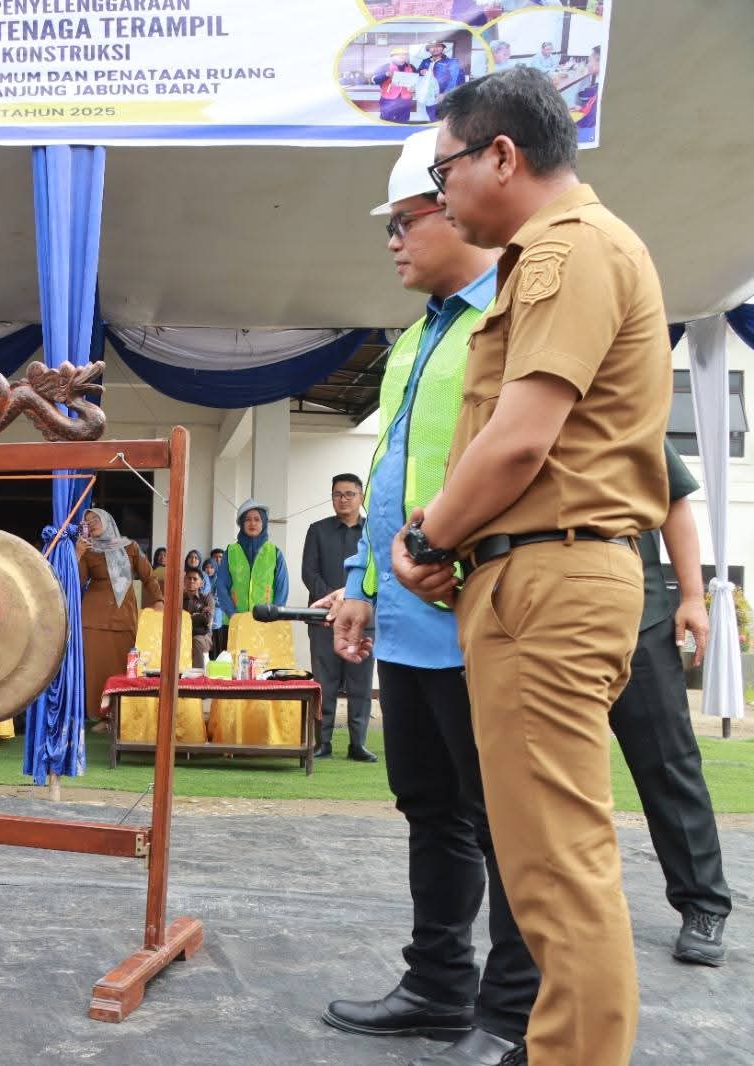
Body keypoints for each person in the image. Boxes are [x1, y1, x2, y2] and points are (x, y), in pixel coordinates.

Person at [386, 68, 672, 1064]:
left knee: (556, 869)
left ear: (501, 155)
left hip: (552, 583)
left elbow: (519, 441)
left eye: (445, 168)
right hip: (528, 576)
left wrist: (428, 540)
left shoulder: (567, 251)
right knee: (544, 863)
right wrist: (449, 537)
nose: (443, 191)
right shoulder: (552, 256)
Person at [321, 127, 536, 1066]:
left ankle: (513, 1015)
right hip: (406, 619)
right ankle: (438, 988)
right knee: (429, 807)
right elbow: (390, 471)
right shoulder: (413, 339)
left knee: (506, 824)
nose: (395, 241)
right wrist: (362, 588)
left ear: (454, 212)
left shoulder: (519, 313)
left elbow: (521, 460)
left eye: (406, 221)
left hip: (480, 613)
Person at [610, 443, 731, 966]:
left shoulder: (626, 404)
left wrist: (690, 597)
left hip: (641, 619)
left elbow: (674, 502)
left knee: (668, 766)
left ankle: (703, 904)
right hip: (546, 622)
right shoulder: (503, 408)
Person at [302, 474, 377, 762]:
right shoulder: (317, 530)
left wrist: (352, 602)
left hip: (364, 619)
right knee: (325, 683)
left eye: (349, 494)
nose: (343, 499)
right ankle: (324, 742)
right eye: (337, 494)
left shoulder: (373, 533)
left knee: (360, 682)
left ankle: (358, 743)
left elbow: (376, 573)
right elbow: (309, 573)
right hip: (323, 618)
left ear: (361, 496)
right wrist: (335, 602)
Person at [78, 507, 162, 731]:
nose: (92, 523)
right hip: (94, 619)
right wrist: (77, 554)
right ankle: (102, 717)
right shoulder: (88, 551)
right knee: (96, 670)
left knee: (124, 667)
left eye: (96, 519)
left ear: (107, 520)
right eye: (87, 521)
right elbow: (76, 583)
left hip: (124, 616)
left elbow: (149, 575)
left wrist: (158, 600)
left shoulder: (130, 547)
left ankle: (122, 715)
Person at [213, 500, 288, 651]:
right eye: (247, 519)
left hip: (265, 624)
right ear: (241, 523)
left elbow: (282, 589)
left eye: (257, 519)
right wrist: (234, 616)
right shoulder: (231, 551)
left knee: (263, 670)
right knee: (235, 669)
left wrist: (272, 615)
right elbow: (221, 587)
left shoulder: (275, 553)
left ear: (264, 523)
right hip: (234, 622)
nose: (252, 523)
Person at [419, 40, 466, 122]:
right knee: (432, 120)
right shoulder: (425, 62)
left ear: (443, 48)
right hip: (429, 98)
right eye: (432, 47)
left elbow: (456, 79)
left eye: (438, 46)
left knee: (446, 122)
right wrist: (421, 72)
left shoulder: (452, 62)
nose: (435, 49)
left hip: (444, 98)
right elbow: (418, 76)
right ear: (428, 49)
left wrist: (445, 93)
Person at [373, 46, 419, 124]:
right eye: (398, 55)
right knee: (386, 122)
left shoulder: (412, 67)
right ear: (392, 57)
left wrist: (414, 88)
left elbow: (417, 82)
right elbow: (375, 80)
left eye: (404, 54)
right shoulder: (385, 67)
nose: (401, 56)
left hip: (405, 100)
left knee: (403, 122)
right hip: (388, 100)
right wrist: (385, 75)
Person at [181, 567, 213, 666]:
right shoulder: (178, 599)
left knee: (196, 640)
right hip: (181, 634)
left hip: (202, 635)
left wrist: (186, 618)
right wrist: (196, 616)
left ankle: (199, 676)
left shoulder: (207, 599)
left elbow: (207, 619)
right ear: (184, 581)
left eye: (195, 579)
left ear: (201, 583)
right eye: (189, 578)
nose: (191, 581)